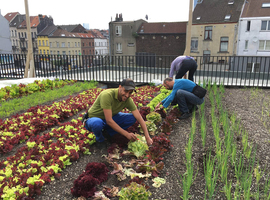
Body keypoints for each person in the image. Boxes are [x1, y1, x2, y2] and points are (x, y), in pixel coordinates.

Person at [84, 78, 153, 147]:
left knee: (132, 118)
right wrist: (126, 134)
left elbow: (139, 118)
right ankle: (100, 139)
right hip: (93, 119)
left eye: (130, 92)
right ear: (120, 87)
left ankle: (107, 133)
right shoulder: (107, 95)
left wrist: (147, 138)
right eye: (125, 91)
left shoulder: (128, 100)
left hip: (109, 118)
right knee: (97, 123)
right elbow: (109, 121)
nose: (127, 95)